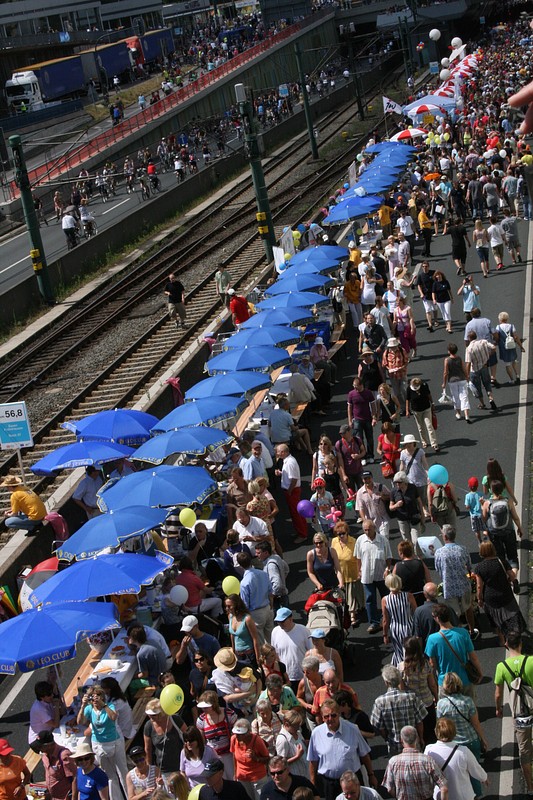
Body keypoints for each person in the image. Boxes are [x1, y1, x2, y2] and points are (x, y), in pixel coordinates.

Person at [308, 699, 377, 800]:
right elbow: (313, 761)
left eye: (333, 715)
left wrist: (371, 775)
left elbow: (364, 755)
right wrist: (313, 783)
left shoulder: (353, 729)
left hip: (352, 782)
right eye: (326, 716)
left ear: (339, 714)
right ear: (322, 717)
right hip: (330, 784)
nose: (330, 719)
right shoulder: (316, 733)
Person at [494, 631, 533, 795]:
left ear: (506, 645)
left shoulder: (501, 667)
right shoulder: (531, 661)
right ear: (521, 644)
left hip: (520, 714)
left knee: (524, 752)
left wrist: (498, 708)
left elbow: (498, 694)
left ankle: (530, 787)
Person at [436, 671, 488, 794]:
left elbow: (440, 724)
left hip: (453, 743)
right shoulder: (468, 701)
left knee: (458, 773)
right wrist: (483, 739)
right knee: (473, 769)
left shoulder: (441, 704)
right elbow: (476, 723)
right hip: (471, 740)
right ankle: (476, 794)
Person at [77, 686, 127, 800]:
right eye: (92, 696)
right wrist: (83, 706)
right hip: (99, 744)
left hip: (114, 742)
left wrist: (103, 705)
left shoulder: (109, 706)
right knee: (109, 775)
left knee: (122, 772)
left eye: (98, 695)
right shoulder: (89, 709)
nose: (95, 699)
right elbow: (80, 721)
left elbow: (113, 717)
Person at [424, 605, 482, 699]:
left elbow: (432, 665)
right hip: (464, 679)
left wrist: (433, 682)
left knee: (447, 707)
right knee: (470, 706)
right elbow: (473, 657)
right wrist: (479, 672)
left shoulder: (432, 639)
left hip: (445, 682)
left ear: (437, 618)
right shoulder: (463, 633)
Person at [434, 526, 479, 640]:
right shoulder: (462, 549)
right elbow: (469, 566)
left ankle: (458, 635)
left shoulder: (439, 552)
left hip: (449, 587)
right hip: (464, 585)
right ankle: (471, 631)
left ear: (445, 537)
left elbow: (438, 569)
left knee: (453, 613)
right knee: (468, 608)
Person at [370, 666, 427, 754]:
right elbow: (419, 722)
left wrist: (386, 738)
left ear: (386, 683)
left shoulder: (380, 702)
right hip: (413, 743)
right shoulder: (412, 697)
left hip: (394, 745)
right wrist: (421, 738)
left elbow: (379, 726)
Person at [381, 725, 448, 800]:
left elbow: (389, 789)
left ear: (401, 740)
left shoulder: (393, 762)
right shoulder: (428, 761)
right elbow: (444, 788)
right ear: (417, 738)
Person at [398, 637, 438, 746]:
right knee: (431, 734)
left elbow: (401, 690)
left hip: (413, 706)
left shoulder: (401, 667)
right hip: (427, 702)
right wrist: (436, 697)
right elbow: (432, 684)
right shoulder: (425, 664)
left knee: (417, 737)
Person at [355, 519, 392, 634]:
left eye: (369, 530)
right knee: (370, 599)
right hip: (367, 575)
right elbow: (358, 557)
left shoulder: (383, 540)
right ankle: (374, 622)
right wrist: (359, 571)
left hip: (381, 575)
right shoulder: (360, 540)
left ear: (374, 528)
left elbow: (388, 556)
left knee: (386, 598)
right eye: (365, 530)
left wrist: (388, 569)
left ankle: (390, 619)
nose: (367, 532)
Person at [481, 479, 523, 570]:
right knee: (512, 556)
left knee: (500, 556)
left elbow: (484, 519)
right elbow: (515, 517)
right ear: (502, 489)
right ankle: (514, 575)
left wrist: (482, 505)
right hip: (509, 531)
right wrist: (519, 528)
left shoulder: (487, 503)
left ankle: (505, 573)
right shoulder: (508, 501)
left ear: (491, 490)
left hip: (494, 534)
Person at [196, 691, 238, 779]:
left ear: (213, 705)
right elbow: (201, 740)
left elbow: (237, 734)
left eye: (206, 707)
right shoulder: (201, 720)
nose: (204, 709)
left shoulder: (228, 714)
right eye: (202, 707)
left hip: (229, 755)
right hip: (213, 757)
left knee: (233, 779)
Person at [143, 699, 186, 782]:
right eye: (149, 714)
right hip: (163, 770)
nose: (151, 717)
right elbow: (148, 749)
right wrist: (150, 770)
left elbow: (188, 737)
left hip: (182, 766)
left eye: (154, 715)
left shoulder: (175, 719)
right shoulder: (148, 726)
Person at [330, 521, 363, 626]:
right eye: (338, 534)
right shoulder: (334, 541)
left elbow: (359, 557)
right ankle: (352, 615)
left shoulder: (354, 541)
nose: (341, 536)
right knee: (347, 595)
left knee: (353, 594)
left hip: (352, 573)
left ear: (347, 532)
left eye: (343, 533)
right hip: (340, 573)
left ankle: (353, 614)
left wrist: (360, 571)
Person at [270, 608, 311, 691]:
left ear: (291, 619)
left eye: (282, 621)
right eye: (278, 622)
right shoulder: (275, 632)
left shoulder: (303, 630)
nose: (280, 624)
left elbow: (311, 651)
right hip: (284, 677)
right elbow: (274, 654)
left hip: (302, 676)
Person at [237, 551, 274, 644]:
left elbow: (245, 604)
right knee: (272, 640)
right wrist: (271, 605)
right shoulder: (263, 573)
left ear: (240, 565)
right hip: (267, 608)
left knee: (260, 643)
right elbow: (270, 592)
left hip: (256, 613)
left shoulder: (244, 582)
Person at [230, 718, 269, 800]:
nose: (237, 736)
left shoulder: (257, 740)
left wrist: (255, 758)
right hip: (242, 777)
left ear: (248, 733)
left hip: (258, 778)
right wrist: (235, 774)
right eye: (236, 733)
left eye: (241, 734)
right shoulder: (233, 739)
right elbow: (234, 757)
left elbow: (267, 758)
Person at [381, 574, 416, 666]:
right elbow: (416, 612)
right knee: (411, 651)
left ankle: (400, 669)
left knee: (399, 652)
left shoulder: (385, 600)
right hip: (409, 626)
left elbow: (385, 620)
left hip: (395, 629)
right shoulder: (408, 596)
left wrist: (385, 634)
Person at [275, 444, 308, 540]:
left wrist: (289, 491)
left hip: (292, 491)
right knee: (297, 512)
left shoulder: (289, 463)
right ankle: (301, 530)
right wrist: (281, 473)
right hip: (292, 490)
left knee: (296, 513)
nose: (277, 453)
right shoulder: (288, 461)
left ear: (283, 452)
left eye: (278, 452)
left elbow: (294, 479)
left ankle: (302, 534)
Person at [34, 731, 75, 800]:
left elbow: (75, 778)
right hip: (50, 795)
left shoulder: (64, 755)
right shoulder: (44, 755)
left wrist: (74, 797)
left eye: (40, 746)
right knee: (28, 790)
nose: (38, 749)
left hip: (64, 797)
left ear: (49, 745)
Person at [464, 331, 498, 411]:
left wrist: (467, 375)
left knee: (477, 387)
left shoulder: (469, 348)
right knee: (487, 384)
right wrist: (489, 354)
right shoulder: (483, 342)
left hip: (475, 370)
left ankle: (482, 403)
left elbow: (468, 363)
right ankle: (491, 398)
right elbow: (494, 347)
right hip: (484, 366)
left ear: (469, 338)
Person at [225, 593, 261, 666]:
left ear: (236, 605)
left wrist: (258, 658)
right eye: (226, 606)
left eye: (229, 606)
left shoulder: (247, 619)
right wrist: (233, 651)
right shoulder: (230, 617)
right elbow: (232, 635)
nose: (227, 608)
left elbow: (255, 638)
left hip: (249, 655)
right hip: (238, 655)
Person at [405, 378, 438, 452]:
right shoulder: (409, 388)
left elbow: (429, 394)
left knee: (429, 425)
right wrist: (407, 410)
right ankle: (424, 442)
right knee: (420, 427)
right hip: (416, 411)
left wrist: (432, 403)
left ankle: (434, 443)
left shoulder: (424, 386)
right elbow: (408, 399)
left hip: (426, 409)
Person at [346, 378, 375, 461]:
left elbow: (373, 405)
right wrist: (350, 420)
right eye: (353, 386)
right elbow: (349, 407)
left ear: (361, 385)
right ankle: (363, 456)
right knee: (359, 439)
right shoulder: (351, 394)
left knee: (369, 438)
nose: (354, 388)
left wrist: (374, 417)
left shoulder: (368, 393)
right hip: (357, 420)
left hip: (367, 419)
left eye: (356, 386)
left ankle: (370, 455)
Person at [355, 471, 390, 538]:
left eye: (369, 478)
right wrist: (365, 522)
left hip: (383, 519)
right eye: (365, 479)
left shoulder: (381, 487)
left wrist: (383, 497)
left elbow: (391, 497)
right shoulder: (360, 493)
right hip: (370, 523)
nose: (367, 480)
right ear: (362, 480)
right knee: (374, 542)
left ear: (372, 478)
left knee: (384, 539)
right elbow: (360, 508)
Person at [493, 310, 524, 385]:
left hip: (504, 348)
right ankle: (517, 376)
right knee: (514, 361)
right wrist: (521, 346)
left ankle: (512, 379)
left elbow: (497, 337)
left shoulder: (498, 327)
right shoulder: (511, 326)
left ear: (500, 319)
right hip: (512, 346)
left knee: (507, 364)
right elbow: (516, 337)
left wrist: (495, 343)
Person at [442, 343, 471, 423]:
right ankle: (466, 415)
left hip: (452, 381)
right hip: (462, 379)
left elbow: (445, 373)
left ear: (449, 351)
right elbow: (464, 368)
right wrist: (467, 376)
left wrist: (444, 383)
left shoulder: (447, 360)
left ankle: (458, 413)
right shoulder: (459, 358)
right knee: (464, 397)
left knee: (456, 397)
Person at [275, 713, 309, 778]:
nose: (298, 728)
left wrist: (306, 744)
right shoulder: (282, 739)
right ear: (287, 724)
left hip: (306, 774)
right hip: (295, 777)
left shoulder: (298, 733)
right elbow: (281, 763)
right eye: (296, 726)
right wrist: (297, 756)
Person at [256, 542, 289, 610]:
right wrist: (282, 579)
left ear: (266, 553)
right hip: (283, 595)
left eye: (259, 553)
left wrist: (272, 596)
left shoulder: (271, 566)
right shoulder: (276, 557)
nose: (256, 555)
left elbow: (277, 584)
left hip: (278, 600)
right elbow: (286, 569)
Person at [335, 426, 366, 491]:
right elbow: (340, 460)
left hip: (359, 471)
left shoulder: (357, 440)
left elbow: (363, 451)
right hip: (348, 473)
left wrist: (359, 456)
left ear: (349, 432)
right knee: (351, 492)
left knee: (363, 490)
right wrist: (343, 475)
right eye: (340, 433)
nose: (342, 435)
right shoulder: (339, 444)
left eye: (343, 433)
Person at [381, 338, 409, 406]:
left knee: (404, 390)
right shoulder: (386, 353)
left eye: (394, 346)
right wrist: (389, 369)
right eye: (391, 347)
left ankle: (408, 405)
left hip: (402, 374)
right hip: (393, 376)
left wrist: (402, 367)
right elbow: (384, 364)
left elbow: (406, 361)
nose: (393, 348)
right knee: (397, 393)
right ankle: (402, 406)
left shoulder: (402, 351)